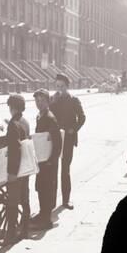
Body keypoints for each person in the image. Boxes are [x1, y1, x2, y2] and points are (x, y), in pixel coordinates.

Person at [50, 74, 86, 210]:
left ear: (67, 87)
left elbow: (82, 117)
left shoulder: (73, 100)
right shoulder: (53, 100)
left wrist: (73, 129)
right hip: (55, 139)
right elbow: (48, 115)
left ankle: (66, 200)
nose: (60, 89)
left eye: (62, 87)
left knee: (65, 170)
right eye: (57, 86)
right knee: (52, 170)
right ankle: (51, 201)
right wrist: (53, 101)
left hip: (68, 140)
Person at [31, 88, 61, 229]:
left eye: (42, 101)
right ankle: (42, 213)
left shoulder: (50, 118)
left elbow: (57, 142)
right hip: (42, 159)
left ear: (48, 102)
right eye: (37, 101)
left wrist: (52, 160)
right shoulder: (40, 116)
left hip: (49, 161)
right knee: (41, 187)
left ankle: (46, 220)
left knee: (47, 188)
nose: (39, 103)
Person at [4, 94, 31, 245]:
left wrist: (11, 173)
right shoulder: (24, 121)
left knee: (12, 202)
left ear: (12, 107)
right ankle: (25, 230)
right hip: (26, 167)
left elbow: (14, 150)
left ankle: (10, 235)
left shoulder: (13, 124)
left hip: (16, 169)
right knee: (24, 199)